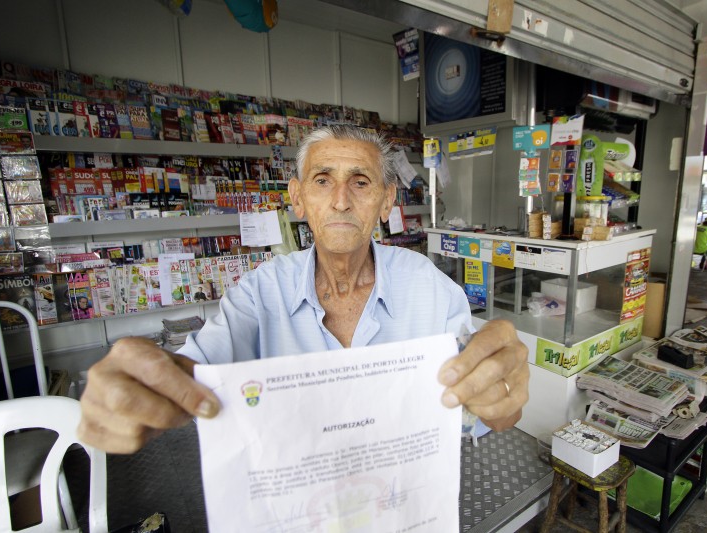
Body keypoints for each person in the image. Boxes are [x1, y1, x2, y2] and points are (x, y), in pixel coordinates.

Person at [78, 125, 530, 454]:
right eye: (322, 180)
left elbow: (493, 412)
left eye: (360, 181)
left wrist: (502, 397)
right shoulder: (260, 293)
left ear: (387, 200)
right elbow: (190, 372)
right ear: (297, 198)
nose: (340, 200)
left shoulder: (429, 287)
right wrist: (142, 382)